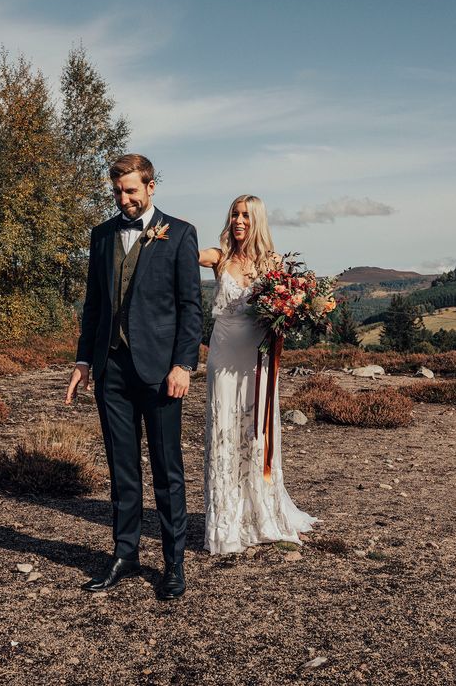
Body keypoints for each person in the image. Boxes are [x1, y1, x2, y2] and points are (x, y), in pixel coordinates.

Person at [66, 154, 202, 599]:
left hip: (161, 372)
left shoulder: (179, 233)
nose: (124, 199)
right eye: (118, 192)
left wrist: (183, 365)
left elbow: (190, 308)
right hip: (112, 370)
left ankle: (173, 563)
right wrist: (84, 361)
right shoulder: (102, 235)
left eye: (131, 191)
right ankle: (124, 555)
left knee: (167, 470)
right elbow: (93, 305)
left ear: (150, 187)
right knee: (122, 469)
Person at [198, 194, 316, 555]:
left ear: (257, 220)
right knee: (224, 429)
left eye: (246, 215)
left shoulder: (273, 264)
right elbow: (191, 254)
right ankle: (225, 519)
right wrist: (163, 237)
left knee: (255, 431)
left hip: (258, 360)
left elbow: (293, 307)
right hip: (223, 353)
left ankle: (259, 510)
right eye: (234, 213)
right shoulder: (219, 258)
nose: (239, 220)